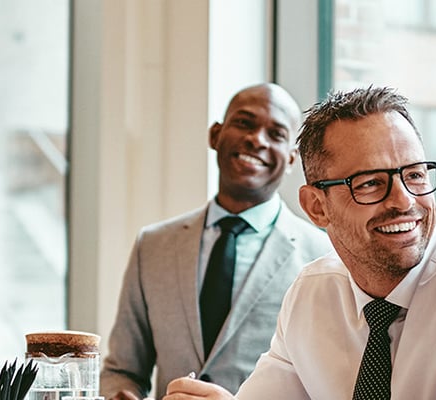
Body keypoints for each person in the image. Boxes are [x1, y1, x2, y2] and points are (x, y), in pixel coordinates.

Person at [163, 86, 436, 400]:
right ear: (316, 207)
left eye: (415, 174)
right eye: (370, 183)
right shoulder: (313, 292)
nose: (405, 202)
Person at [100, 83, 333, 400]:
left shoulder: (322, 258)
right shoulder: (153, 246)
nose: (256, 139)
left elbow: (329, 387)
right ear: (215, 135)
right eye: (244, 123)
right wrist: (121, 393)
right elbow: (122, 371)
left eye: (276, 134)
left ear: (292, 159)